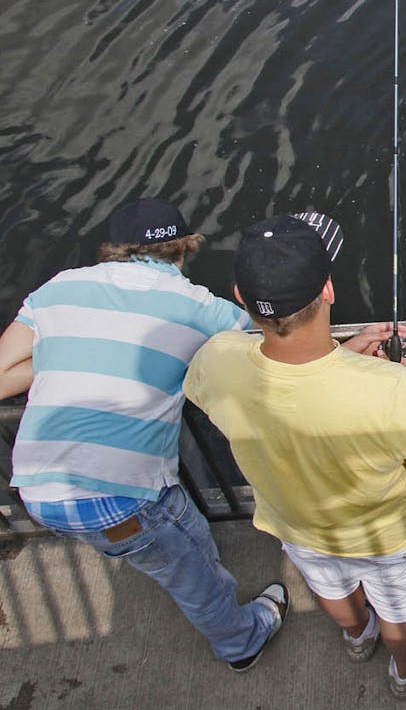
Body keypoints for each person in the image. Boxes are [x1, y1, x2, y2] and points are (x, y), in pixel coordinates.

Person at [182, 213, 406, 700]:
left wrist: (345, 358)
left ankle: (357, 638)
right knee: (403, 613)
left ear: (242, 299)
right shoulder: (393, 390)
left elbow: (290, 395)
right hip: (388, 536)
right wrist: (399, 380)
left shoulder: (216, 359)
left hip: (300, 528)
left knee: (335, 593)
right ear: (328, 291)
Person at [0, 199, 286, 671]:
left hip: (35, 487)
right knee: (194, 580)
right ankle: (242, 642)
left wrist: (60, 357)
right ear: (185, 247)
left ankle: (182, 553)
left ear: (116, 249)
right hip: (121, 501)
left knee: (167, 543)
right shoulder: (197, 306)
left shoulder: (59, 289)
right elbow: (270, 343)